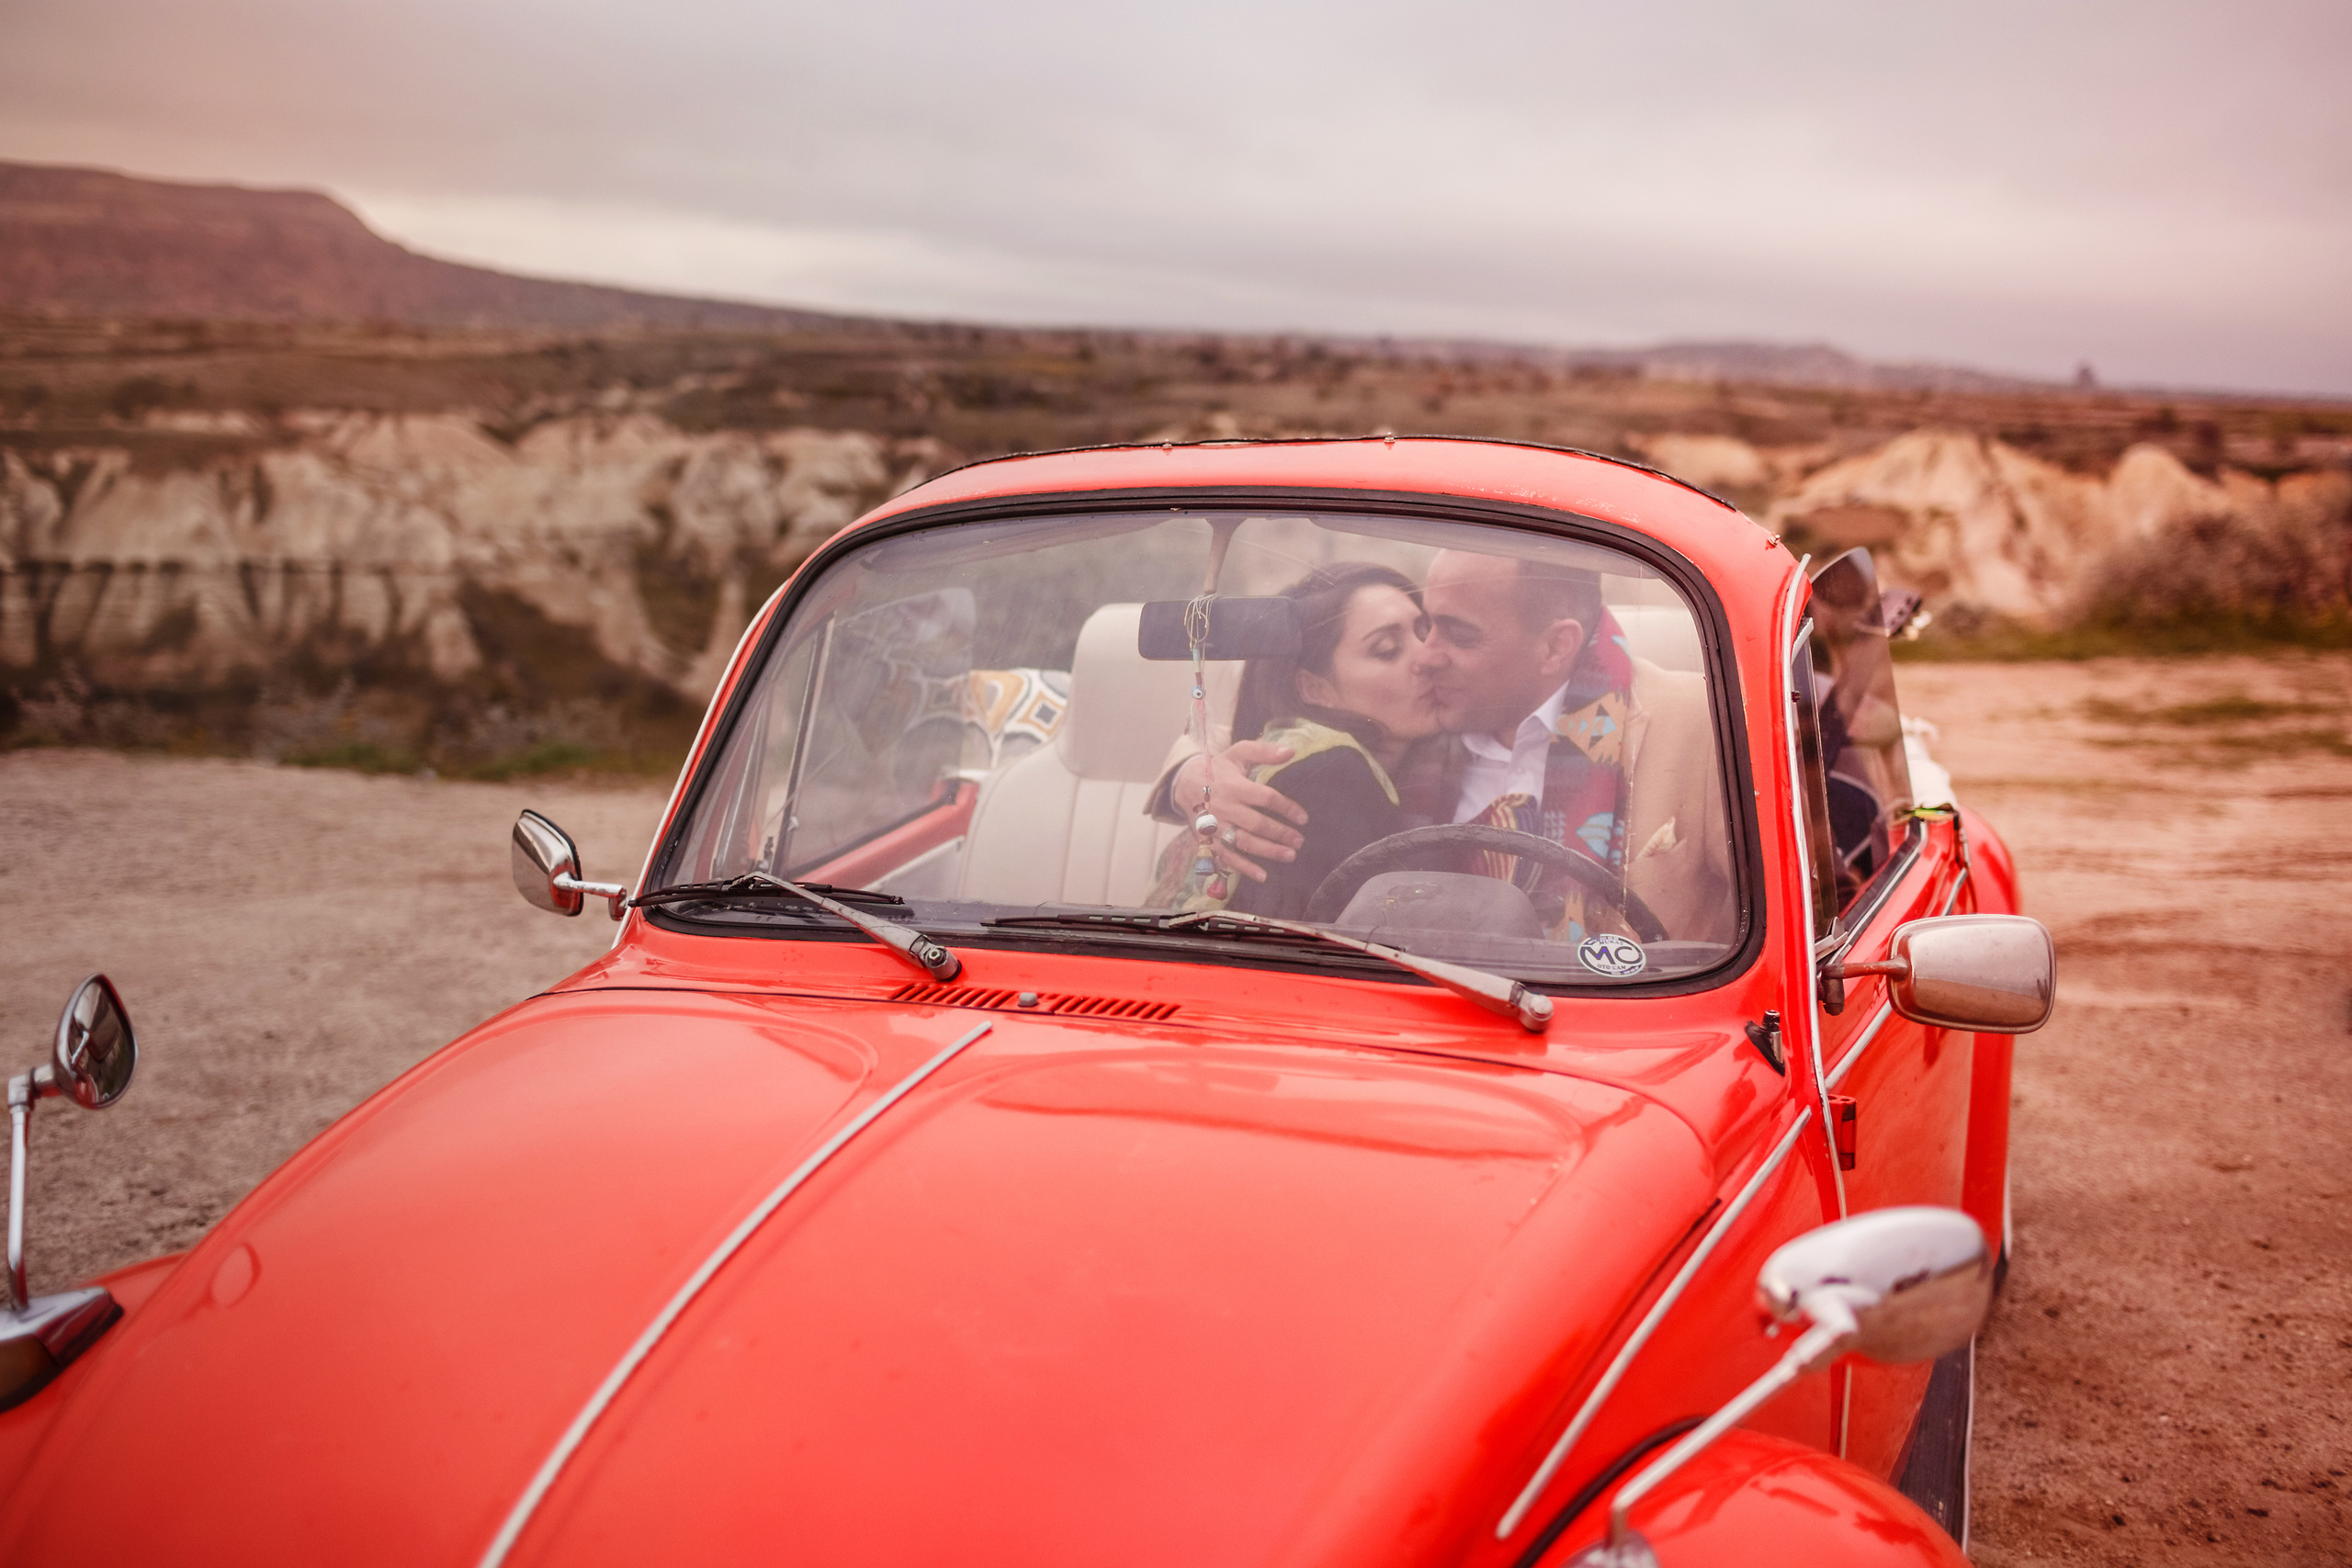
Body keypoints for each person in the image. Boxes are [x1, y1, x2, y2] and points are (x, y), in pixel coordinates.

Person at [1159, 549, 1734, 945]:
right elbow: (1253, 731)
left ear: (1555, 647)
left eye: (1456, 634)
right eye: (1422, 628)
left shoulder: (1700, 727)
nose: (1426, 656)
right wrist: (1190, 773)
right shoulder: (1411, 724)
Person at [1154, 562, 1443, 919]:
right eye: (1386, 649)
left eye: (1426, 632)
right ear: (1314, 689)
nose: (1428, 657)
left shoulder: (1474, 726)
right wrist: (1190, 775)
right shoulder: (1322, 777)